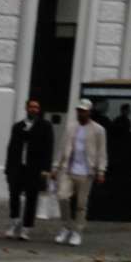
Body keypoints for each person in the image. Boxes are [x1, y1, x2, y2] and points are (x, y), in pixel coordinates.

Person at [50, 96, 108, 247]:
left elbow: (102, 152)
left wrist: (101, 171)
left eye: (83, 111)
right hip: (70, 170)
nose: (80, 114)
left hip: (86, 172)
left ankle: (77, 230)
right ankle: (66, 226)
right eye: (79, 111)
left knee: (81, 204)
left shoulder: (98, 130)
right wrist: (56, 167)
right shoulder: (71, 128)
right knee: (62, 197)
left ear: (89, 112)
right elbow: (63, 148)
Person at [3, 97, 52, 241]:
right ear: (26, 108)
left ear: (40, 109)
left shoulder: (45, 126)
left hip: (34, 168)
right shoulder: (18, 127)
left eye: (36, 107)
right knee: (14, 193)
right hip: (18, 166)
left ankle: (27, 228)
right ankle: (16, 220)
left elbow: (48, 148)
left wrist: (45, 169)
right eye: (31, 107)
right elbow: (11, 148)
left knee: (31, 197)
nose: (34, 110)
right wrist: (8, 169)